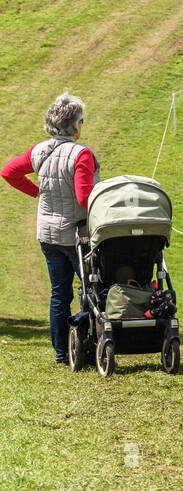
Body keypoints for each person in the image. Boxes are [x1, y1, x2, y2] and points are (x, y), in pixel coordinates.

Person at [1, 91, 99, 365]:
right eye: (82, 121)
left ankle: (60, 352)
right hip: (77, 236)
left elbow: (9, 172)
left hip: (48, 233)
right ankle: (90, 345)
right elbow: (83, 197)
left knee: (59, 293)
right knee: (93, 290)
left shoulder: (39, 151)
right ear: (75, 125)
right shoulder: (82, 154)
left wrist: (37, 192)